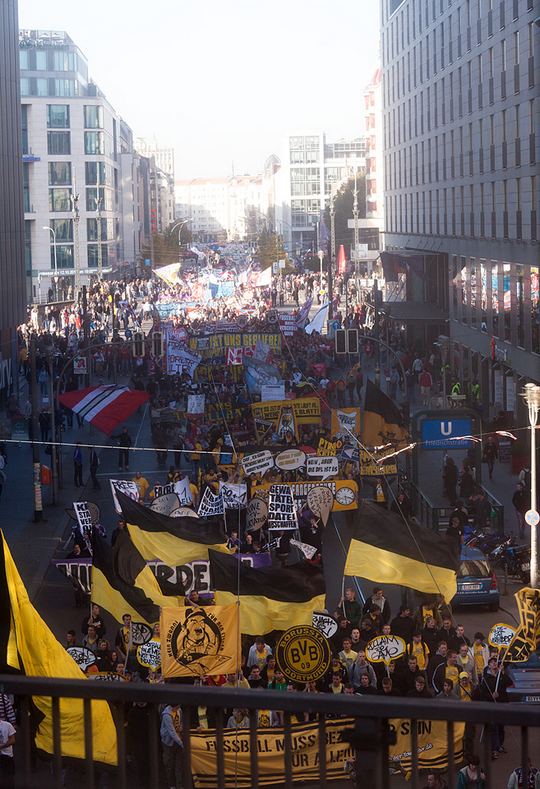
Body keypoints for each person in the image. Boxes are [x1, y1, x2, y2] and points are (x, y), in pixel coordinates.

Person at [160, 703, 183, 789]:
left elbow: (181, 722)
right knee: (169, 764)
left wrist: (181, 728)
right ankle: (171, 785)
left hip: (178, 741)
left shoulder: (179, 711)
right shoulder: (166, 715)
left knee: (179, 765)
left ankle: (179, 785)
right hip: (168, 743)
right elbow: (171, 731)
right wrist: (181, 743)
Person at [0, 716, 15, 787]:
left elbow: (12, 740)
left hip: (7, 756)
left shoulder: (7, 725)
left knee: (8, 778)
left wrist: (2, 746)